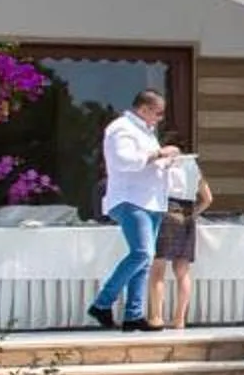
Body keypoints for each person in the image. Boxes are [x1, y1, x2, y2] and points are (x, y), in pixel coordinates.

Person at [87, 89, 177, 332]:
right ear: (144, 109)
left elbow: (148, 163)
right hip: (131, 199)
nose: (159, 118)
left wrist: (168, 161)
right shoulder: (121, 128)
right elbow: (124, 161)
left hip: (151, 200)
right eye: (157, 113)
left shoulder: (146, 131)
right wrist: (159, 153)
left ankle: (133, 315)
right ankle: (102, 303)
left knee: (145, 260)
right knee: (142, 253)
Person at [145, 148, 211, 332]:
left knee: (158, 269)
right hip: (188, 214)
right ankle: (179, 319)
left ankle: (156, 317)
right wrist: (193, 214)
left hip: (167, 211)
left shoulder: (165, 167)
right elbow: (208, 199)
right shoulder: (194, 169)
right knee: (182, 270)